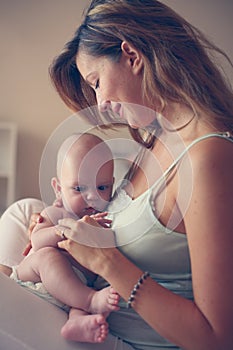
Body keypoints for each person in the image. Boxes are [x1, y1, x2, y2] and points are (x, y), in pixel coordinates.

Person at [0, 0, 233, 349]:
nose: (100, 101)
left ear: (132, 56)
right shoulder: (157, 139)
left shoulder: (208, 157)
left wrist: (106, 263)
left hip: (121, 337)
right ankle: (18, 283)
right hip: (88, 308)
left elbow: (217, 338)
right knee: (25, 211)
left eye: (96, 82)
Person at [9, 132, 120, 344]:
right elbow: (38, 241)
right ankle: (90, 301)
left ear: (112, 186)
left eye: (102, 187)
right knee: (49, 256)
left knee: (90, 292)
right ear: (58, 189)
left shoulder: (104, 220)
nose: (91, 196)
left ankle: (77, 324)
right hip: (35, 279)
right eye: (79, 188)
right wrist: (67, 229)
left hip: (71, 291)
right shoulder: (56, 213)